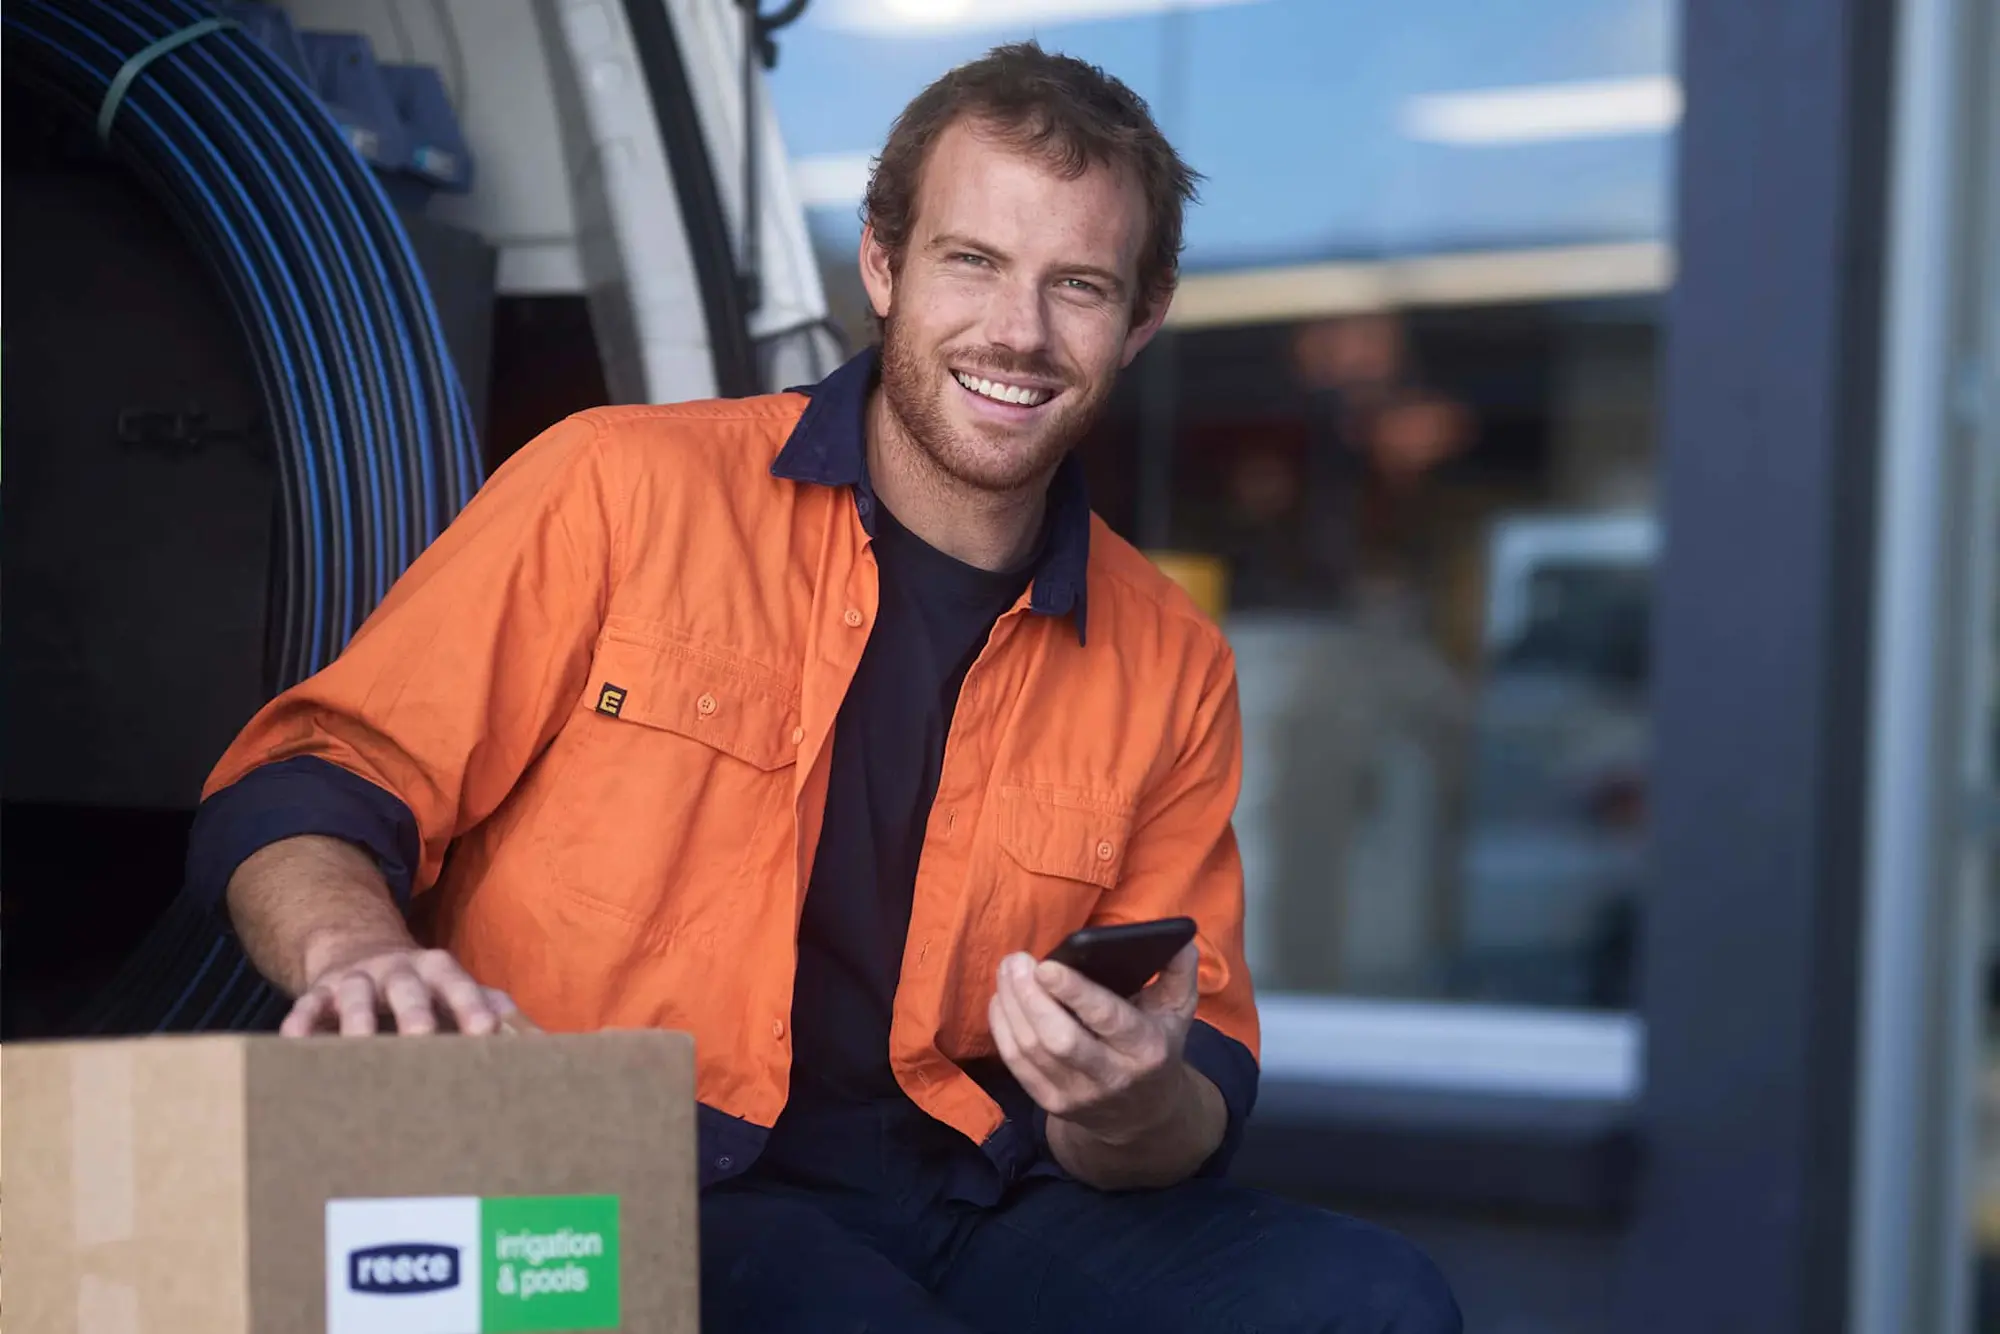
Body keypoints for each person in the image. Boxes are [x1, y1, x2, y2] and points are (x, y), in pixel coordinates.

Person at [191, 41, 1462, 1334]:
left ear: (1141, 321)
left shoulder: (1170, 657)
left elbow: (1193, 1093)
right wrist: (355, 951)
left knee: (1374, 1302)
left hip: (976, 1186)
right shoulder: (618, 490)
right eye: (972, 260)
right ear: (882, 264)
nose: (1016, 333)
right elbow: (310, 781)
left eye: (1077, 285)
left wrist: (1129, 1098)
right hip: (626, 1169)